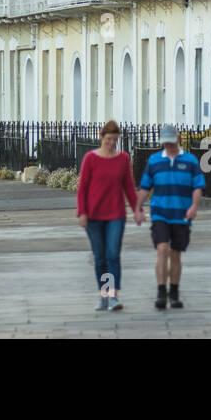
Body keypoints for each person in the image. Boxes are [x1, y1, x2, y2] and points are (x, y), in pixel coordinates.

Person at [136, 124, 205, 309]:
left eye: (171, 142)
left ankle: (174, 292)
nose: (168, 146)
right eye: (165, 143)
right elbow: (145, 187)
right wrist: (137, 208)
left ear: (178, 139)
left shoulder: (190, 161)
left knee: (175, 254)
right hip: (160, 212)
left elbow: (197, 186)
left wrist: (194, 206)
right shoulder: (154, 161)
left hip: (182, 214)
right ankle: (161, 292)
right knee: (162, 250)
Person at [76, 119, 142, 312]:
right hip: (94, 215)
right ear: (102, 137)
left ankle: (113, 296)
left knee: (113, 254)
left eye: (115, 139)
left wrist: (136, 209)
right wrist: (81, 212)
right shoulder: (90, 158)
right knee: (100, 257)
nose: (112, 143)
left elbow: (129, 187)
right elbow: (83, 188)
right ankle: (103, 297)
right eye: (109, 139)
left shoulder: (123, 159)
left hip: (115, 214)